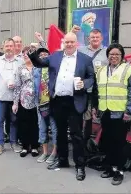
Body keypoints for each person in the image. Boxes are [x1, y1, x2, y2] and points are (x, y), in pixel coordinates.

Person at [28, 32, 95, 181]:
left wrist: (84, 84)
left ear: (76, 43)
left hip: (75, 101)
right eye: (67, 42)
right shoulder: (55, 56)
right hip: (58, 100)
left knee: (76, 135)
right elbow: (39, 63)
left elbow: (91, 78)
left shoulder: (85, 59)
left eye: (72, 42)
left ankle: (79, 166)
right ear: (63, 42)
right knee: (60, 133)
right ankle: (63, 160)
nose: (69, 44)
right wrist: (32, 53)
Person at [92, 43, 131, 185]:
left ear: (122, 56)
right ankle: (109, 167)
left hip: (121, 113)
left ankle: (119, 171)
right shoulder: (101, 71)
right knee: (107, 141)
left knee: (119, 143)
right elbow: (96, 91)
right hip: (105, 111)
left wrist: (129, 111)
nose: (113, 57)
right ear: (108, 56)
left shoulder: (130, 69)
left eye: (117, 54)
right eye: (111, 54)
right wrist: (95, 107)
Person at [72, 27, 108, 147]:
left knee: (100, 116)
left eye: (97, 37)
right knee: (86, 117)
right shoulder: (81, 50)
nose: (95, 39)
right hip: (85, 89)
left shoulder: (107, 52)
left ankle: (100, 143)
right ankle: (84, 142)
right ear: (88, 38)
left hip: (100, 90)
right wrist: (72, 33)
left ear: (101, 38)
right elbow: (66, 49)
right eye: (92, 37)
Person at [34, 33, 57, 164]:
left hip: (53, 102)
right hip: (40, 103)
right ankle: (45, 152)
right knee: (42, 128)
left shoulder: (53, 67)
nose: (43, 56)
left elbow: (53, 52)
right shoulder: (36, 69)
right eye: (40, 55)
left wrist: (42, 41)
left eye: (45, 54)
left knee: (54, 129)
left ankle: (54, 153)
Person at [13, 46, 40, 158]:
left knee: (35, 123)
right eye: (23, 54)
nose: (25, 55)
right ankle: (25, 147)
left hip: (37, 100)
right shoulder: (20, 68)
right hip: (23, 100)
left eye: (27, 53)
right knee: (23, 123)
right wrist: (15, 103)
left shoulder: (39, 67)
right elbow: (17, 86)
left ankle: (34, 146)